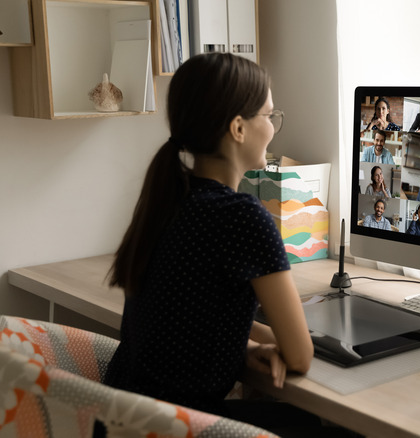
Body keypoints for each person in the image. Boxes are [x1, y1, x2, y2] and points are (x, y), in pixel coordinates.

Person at [102, 53, 319, 435]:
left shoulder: (168, 198)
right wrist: (265, 342)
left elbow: (187, 320)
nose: (273, 128)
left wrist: (246, 348)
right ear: (238, 128)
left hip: (122, 420)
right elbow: (300, 357)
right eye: (269, 116)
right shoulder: (243, 216)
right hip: (177, 427)